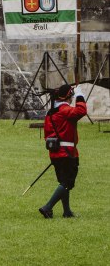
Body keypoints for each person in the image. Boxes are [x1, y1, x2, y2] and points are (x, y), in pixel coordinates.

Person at [39, 83, 88, 219]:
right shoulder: (64, 110)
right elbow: (81, 111)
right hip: (66, 152)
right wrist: (80, 97)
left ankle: (67, 211)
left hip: (55, 153)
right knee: (67, 183)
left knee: (63, 183)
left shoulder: (51, 112)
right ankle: (47, 207)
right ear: (68, 96)